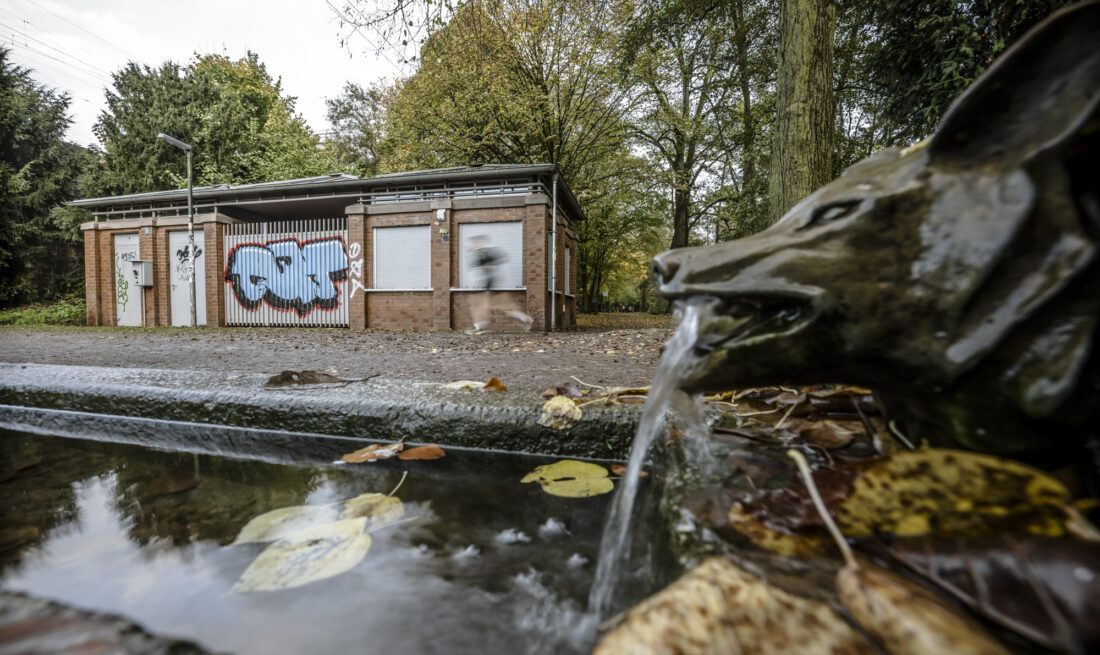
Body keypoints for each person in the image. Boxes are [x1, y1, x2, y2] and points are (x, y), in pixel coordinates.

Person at [466, 235, 533, 334]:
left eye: (474, 243)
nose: (472, 245)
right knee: (500, 306)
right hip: (489, 283)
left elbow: (500, 259)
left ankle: (480, 326)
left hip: (487, 283)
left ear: (479, 243)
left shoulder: (485, 252)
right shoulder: (481, 252)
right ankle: (524, 318)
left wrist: (487, 267)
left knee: (479, 304)